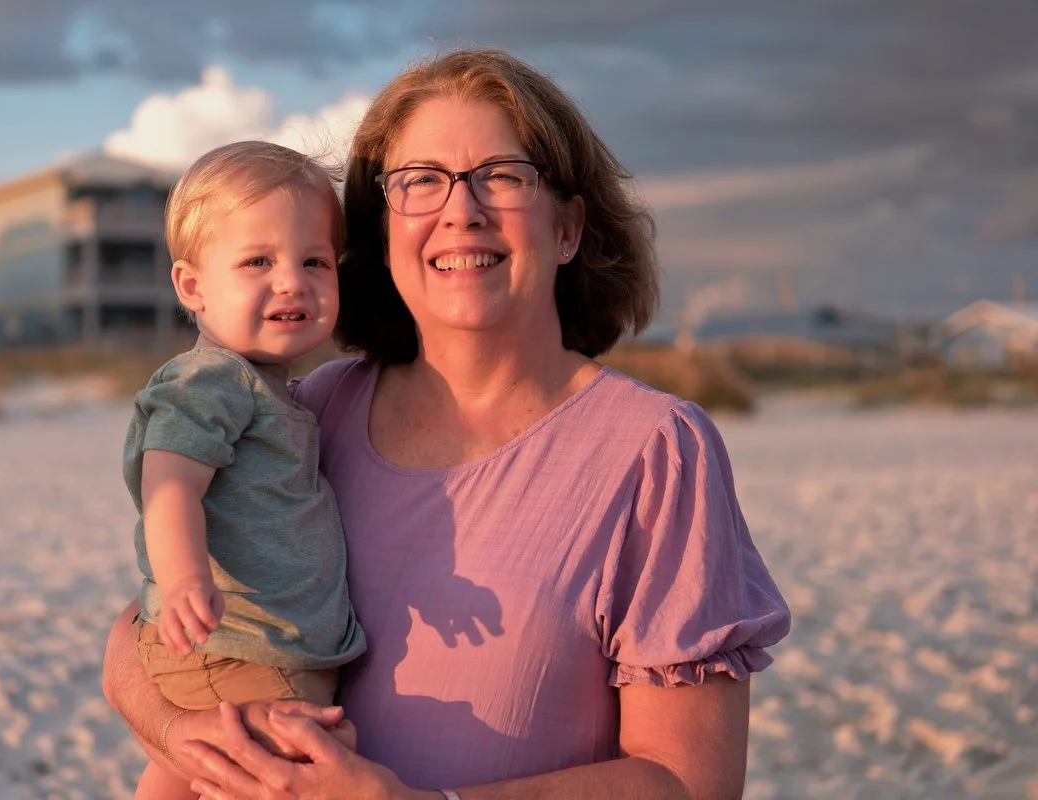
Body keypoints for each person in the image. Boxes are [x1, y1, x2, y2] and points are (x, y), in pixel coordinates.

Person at [103, 48, 791, 800]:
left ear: (568, 226)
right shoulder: (311, 410)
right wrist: (176, 736)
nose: (460, 211)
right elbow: (144, 635)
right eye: (421, 181)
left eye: (502, 175)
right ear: (382, 233)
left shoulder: (655, 451)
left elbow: (687, 781)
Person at [120, 141, 366, 799]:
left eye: (314, 260)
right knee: (280, 774)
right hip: (240, 646)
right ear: (192, 286)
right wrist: (183, 581)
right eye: (258, 261)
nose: (291, 281)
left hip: (253, 648)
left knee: (189, 768)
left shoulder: (266, 386)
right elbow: (168, 482)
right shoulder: (211, 379)